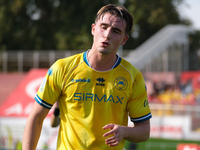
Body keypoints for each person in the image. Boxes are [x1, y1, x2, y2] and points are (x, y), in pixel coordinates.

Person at [22, 4, 152, 150]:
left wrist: (125, 131)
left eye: (116, 31)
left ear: (124, 39)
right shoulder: (63, 68)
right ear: (93, 29)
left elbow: (144, 130)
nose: (107, 34)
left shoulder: (132, 76)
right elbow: (36, 117)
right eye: (103, 27)